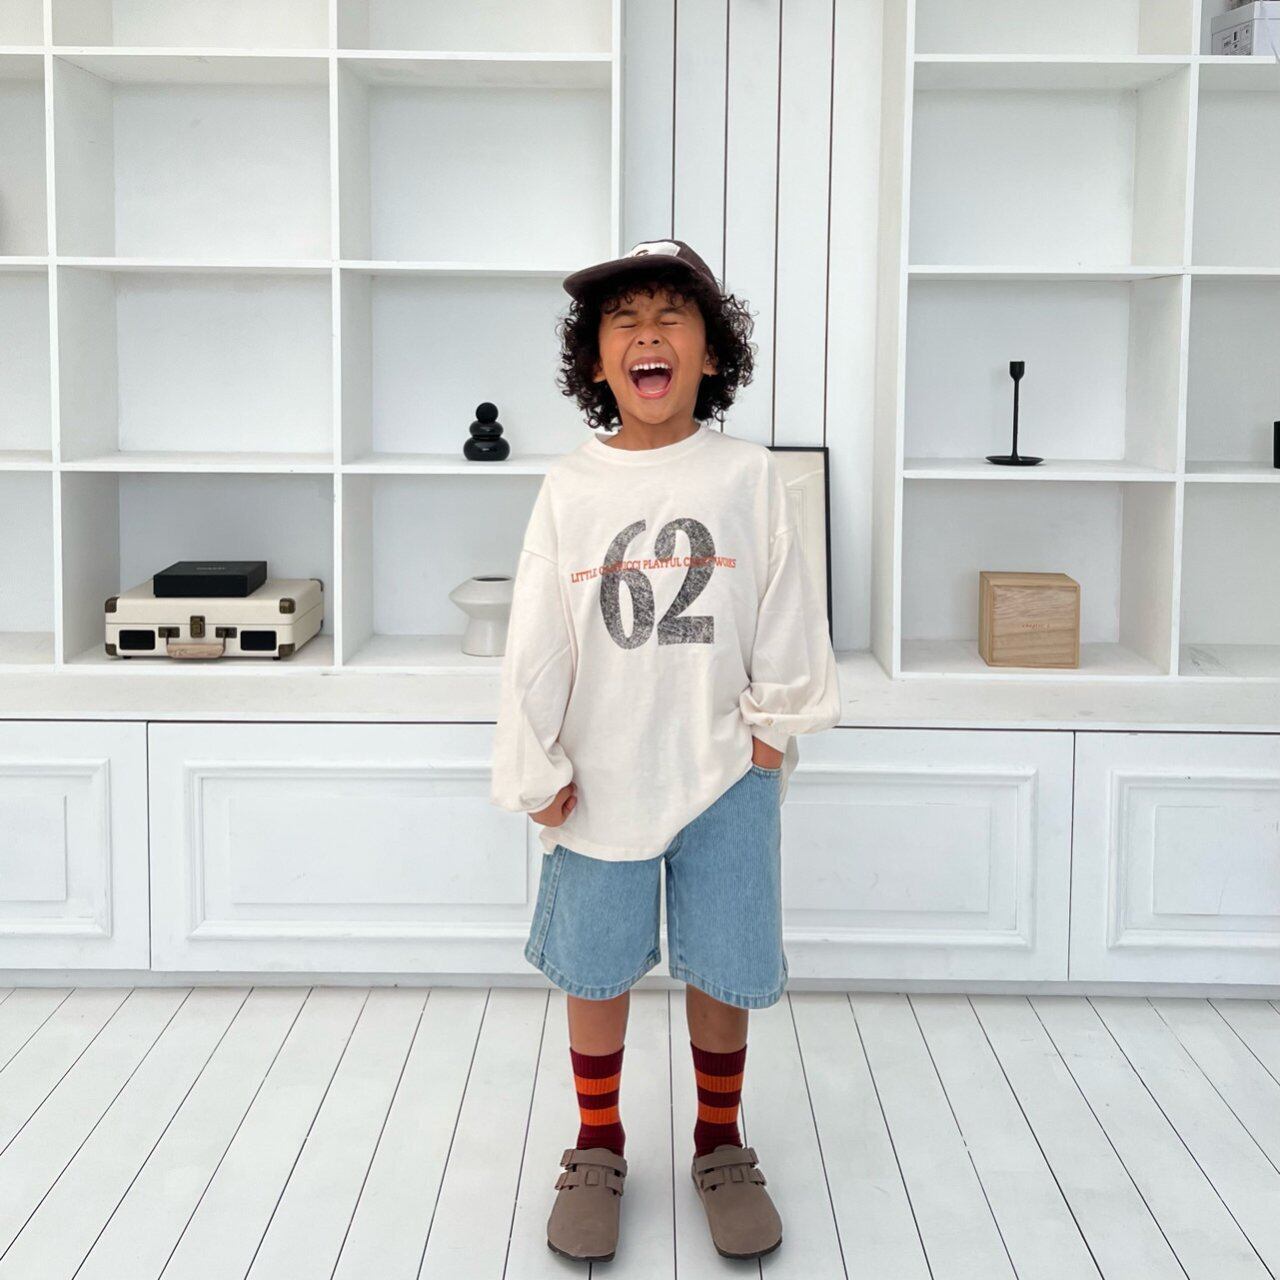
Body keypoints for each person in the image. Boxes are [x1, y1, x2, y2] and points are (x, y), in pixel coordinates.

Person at [489, 238, 841, 1263]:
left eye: (670, 316)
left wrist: (771, 734)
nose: (647, 334)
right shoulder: (571, 487)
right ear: (597, 360)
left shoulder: (747, 475)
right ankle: (597, 1143)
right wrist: (536, 763)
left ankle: (719, 1141)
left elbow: (785, 603)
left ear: (710, 351)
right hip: (599, 772)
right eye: (624, 320)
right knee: (595, 963)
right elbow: (537, 634)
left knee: (724, 964)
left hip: (726, 771)